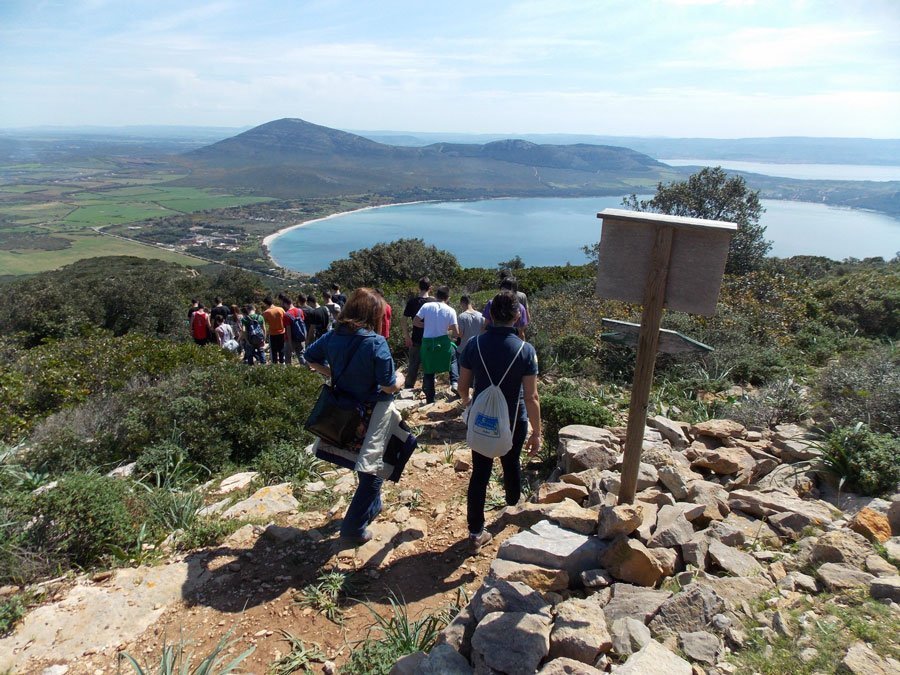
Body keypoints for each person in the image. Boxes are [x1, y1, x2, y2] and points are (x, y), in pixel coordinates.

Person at [305, 288, 406, 545]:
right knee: (374, 471)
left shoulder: (332, 336)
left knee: (363, 462)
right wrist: (401, 379)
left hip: (345, 408)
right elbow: (388, 385)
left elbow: (309, 357)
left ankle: (372, 507)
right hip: (374, 412)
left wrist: (333, 374)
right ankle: (353, 528)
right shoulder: (375, 342)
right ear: (372, 314)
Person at [458, 291, 542, 549]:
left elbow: (462, 387)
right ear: (517, 316)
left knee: (480, 473)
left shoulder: (474, 344)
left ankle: (475, 532)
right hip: (514, 419)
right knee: (511, 463)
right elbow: (532, 396)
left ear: (490, 315)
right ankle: (513, 510)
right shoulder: (525, 350)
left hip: (482, 417)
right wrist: (537, 432)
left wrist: (468, 403)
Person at [414, 286, 459, 403]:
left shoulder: (426, 306)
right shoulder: (450, 310)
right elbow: (456, 332)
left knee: (428, 369)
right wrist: (447, 328)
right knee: (453, 358)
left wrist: (426, 326)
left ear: (436, 295)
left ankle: (430, 399)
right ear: (447, 298)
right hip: (443, 342)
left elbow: (415, 321)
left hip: (428, 343)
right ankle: (455, 382)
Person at [402, 277, 436, 389]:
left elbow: (403, 320)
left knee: (413, 366)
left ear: (418, 287)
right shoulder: (434, 303)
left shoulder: (412, 302)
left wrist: (407, 336)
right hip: (431, 339)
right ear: (430, 288)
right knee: (429, 367)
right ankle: (428, 390)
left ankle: (408, 389)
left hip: (415, 338)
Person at [451, 295, 484, 386]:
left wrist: (453, 331)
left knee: (464, 375)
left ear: (462, 303)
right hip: (478, 349)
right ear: (470, 302)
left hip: (464, 349)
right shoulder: (481, 315)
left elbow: (460, 334)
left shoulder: (462, 317)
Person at [280, 293, 306, 365]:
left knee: (288, 358)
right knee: (301, 356)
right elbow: (303, 325)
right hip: (300, 338)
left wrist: (290, 343)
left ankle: (290, 371)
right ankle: (305, 370)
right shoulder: (300, 311)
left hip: (290, 340)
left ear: (285, 303)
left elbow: (288, 329)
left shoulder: (286, 315)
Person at [262, 296, 287, 364]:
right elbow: (286, 319)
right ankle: (282, 363)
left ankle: (274, 365)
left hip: (273, 334)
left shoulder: (266, 312)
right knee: (282, 349)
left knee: (273, 351)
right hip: (282, 332)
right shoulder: (280, 309)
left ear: (266, 304)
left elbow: (263, 324)